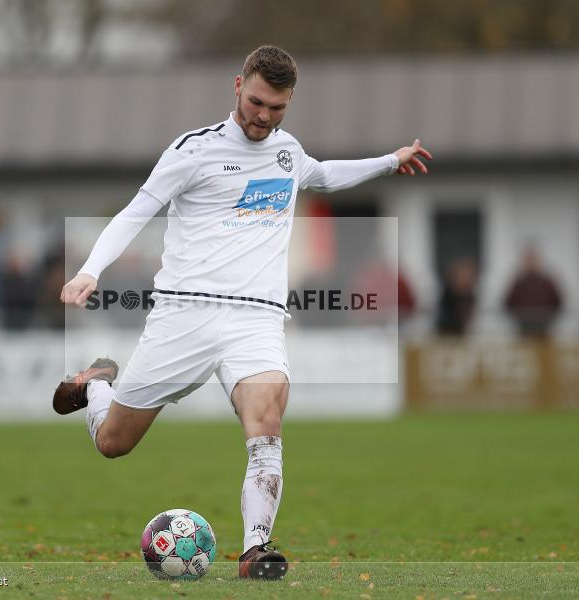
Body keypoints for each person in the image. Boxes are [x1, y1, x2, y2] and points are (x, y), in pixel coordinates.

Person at [54, 45, 431, 580]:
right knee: (114, 443)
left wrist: (389, 161)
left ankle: (256, 550)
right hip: (184, 316)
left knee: (267, 422)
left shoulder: (287, 152)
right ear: (237, 86)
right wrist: (91, 269)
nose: (263, 116)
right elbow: (138, 210)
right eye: (256, 102)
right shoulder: (193, 151)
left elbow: (322, 174)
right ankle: (96, 384)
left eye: (277, 108)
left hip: (256, 318)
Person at [503, 247, 563, 337]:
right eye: (528, 259)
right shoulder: (519, 283)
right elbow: (508, 303)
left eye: (533, 259)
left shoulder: (547, 282)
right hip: (523, 328)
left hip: (544, 328)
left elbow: (558, 302)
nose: (531, 262)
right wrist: (519, 317)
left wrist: (548, 317)